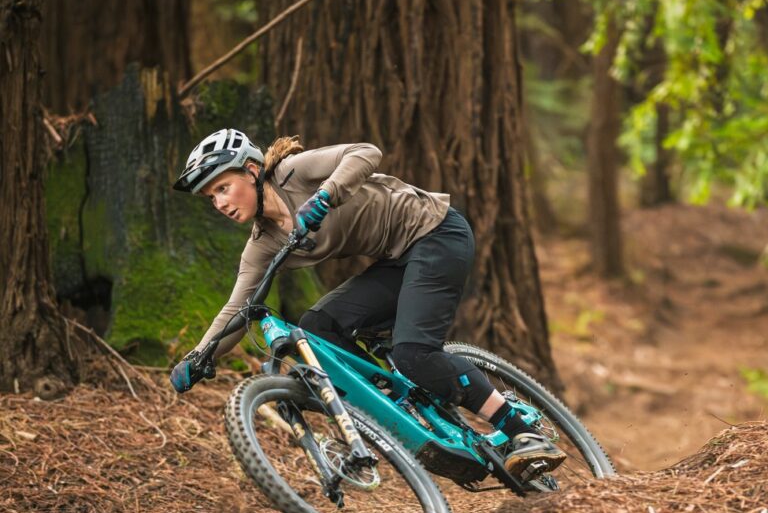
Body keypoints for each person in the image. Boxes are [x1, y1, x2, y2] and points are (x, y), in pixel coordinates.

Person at [168, 128, 565, 476]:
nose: (219, 203)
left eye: (222, 188)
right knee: (317, 329)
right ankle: (404, 405)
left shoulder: (293, 173)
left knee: (414, 353)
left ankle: (521, 432)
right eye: (211, 197)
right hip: (396, 261)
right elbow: (238, 308)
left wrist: (325, 195)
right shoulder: (263, 243)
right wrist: (199, 356)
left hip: (437, 233)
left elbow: (365, 153)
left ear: (252, 171)